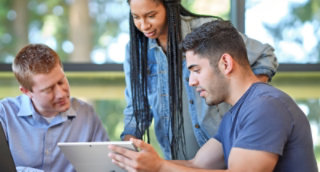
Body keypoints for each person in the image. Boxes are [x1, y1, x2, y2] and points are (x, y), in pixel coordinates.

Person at [109, 20, 317, 172]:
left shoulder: (266, 106)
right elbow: (195, 165)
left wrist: (160, 167)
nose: (191, 81)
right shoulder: (232, 118)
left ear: (225, 64)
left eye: (196, 70)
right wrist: (145, 163)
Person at [121, 0, 279, 160]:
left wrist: (247, 104)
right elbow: (136, 107)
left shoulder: (206, 31)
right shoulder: (135, 51)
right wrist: (126, 147)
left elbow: (265, 56)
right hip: (177, 162)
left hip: (226, 153)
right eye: (136, 17)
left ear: (169, 6)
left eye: (151, 15)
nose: (144, 25)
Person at [0, 44, 109, 172]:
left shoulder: (86, 114)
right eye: (48, 90)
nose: (61, 94)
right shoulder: (2, 114)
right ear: (27, 92)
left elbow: (106, 167)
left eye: (61, 82)